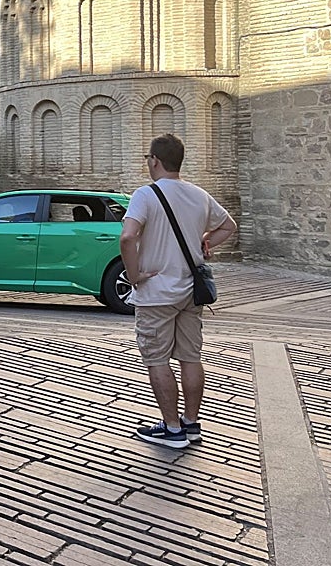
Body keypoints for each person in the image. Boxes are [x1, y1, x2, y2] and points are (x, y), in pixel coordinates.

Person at [119, 133, 237, 449]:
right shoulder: (199, 195)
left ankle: (172, 430)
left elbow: (127, 238)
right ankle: (191, 423)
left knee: (157, 360)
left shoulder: (145, 195)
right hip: (190, 291)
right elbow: (230, 226)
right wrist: (205, 241)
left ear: (154, 160)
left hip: (156, 292)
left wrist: (134, 275)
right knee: (190, 357)